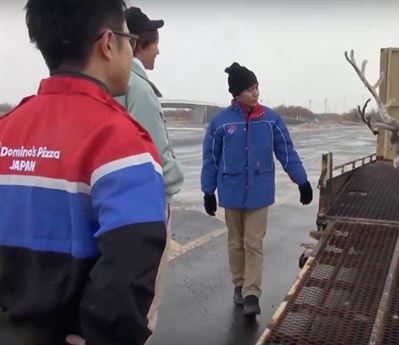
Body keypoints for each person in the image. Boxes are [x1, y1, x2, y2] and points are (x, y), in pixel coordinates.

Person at [0, 1, 167, 344]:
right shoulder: (123, 141)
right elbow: (129, 266)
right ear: (108, 43)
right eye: (128, 37)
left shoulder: (6, 129)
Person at [200, 62, 313, 316]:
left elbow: (287, 152)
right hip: (231, 192)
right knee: (235, 243)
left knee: (253, 243)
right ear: (237, 93)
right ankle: (239, 285)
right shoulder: (221, 123)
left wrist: (302, 181)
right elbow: (211, 159)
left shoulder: (271, 120)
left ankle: (252, 293)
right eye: (250, 88)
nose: (255, 92)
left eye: (257, 87)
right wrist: (208, 191)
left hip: (259, 193)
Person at [115, 6, 184, 333]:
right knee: (148, 299)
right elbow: (154, 152)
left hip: (119, 202)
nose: (159, 49)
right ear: (140, 43)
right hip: (149, 204)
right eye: (154, 42)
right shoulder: (139, 88)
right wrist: (175, 179)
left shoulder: (113, 83)